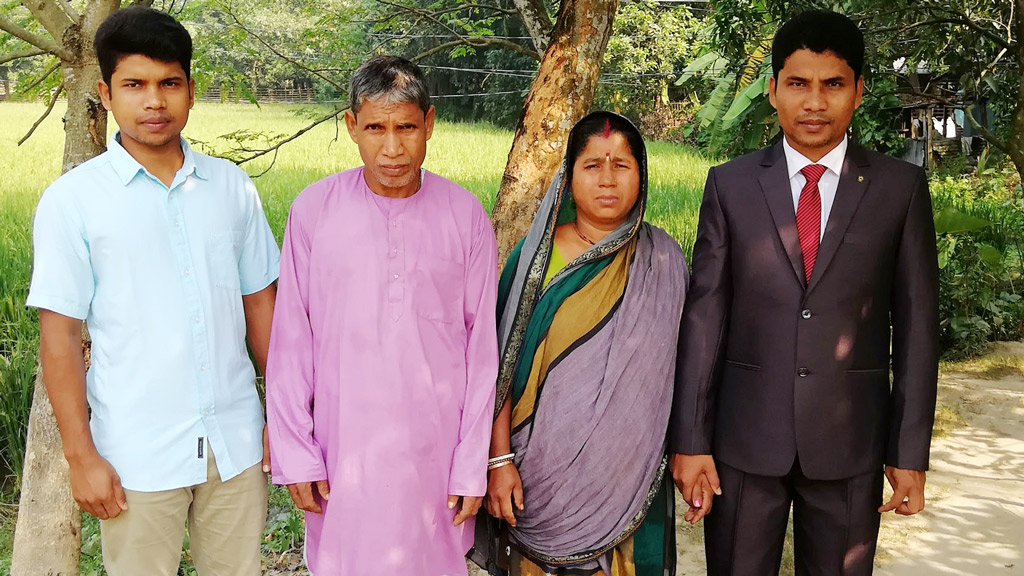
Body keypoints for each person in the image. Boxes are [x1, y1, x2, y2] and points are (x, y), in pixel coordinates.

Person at [669, 10, 939, 575]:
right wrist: (691, 440)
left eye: (832, 84)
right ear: (772, 91)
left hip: (850, 445)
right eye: (798, 83)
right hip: (743, 443)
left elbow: (917, 330)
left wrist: (908, 453)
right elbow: (704, 318)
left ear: (858, 92)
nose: (814, 102)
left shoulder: (899, 189)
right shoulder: (731, 185)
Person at [26, 6, 279, 575]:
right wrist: (80, 456)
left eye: (169, 84)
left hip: (234, 445)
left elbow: (261, 306)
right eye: (134, 85)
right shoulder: (74, 201)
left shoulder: (231, 187)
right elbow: (60, 337)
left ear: (191, 90)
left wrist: (285, 419)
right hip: (134, 453)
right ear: (106, 93)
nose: (154, 102)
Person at [265, 55, 499, 576]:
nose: (392, 148)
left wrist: (470, 465)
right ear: (351, 127)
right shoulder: (313, 211)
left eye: (406, 128)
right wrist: (297, 454)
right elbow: (289, 346)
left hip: (433, 459)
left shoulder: (466, 217)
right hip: (342, 453)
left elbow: (482, 352)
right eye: (375, 128)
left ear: (430, 124)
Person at [470, 111, 688, 576]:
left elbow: (683, 373)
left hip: (630, 474)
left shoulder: (664, 261)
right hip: (537, 479)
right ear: (569, 180)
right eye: (592, 166)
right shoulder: (533, 261)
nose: (607, 180)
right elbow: (499, 369)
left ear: (641, 175)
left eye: (621, 165)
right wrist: (498, 458)